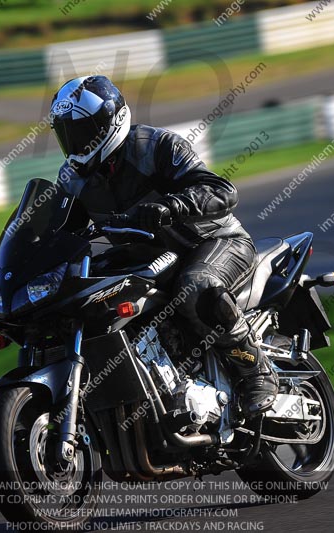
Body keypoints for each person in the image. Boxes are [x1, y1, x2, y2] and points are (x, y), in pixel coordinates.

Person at [49, 75, 277, 416]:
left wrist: (173, 206)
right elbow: (59, 230)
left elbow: (222, 191)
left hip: (212, 242)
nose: (74, 141)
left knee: (196, 285)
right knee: (83, 296)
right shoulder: (73, 178)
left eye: (81, 130)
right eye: (65, 132)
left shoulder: (155, 146)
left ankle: (256, 371)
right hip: (147, 259)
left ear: (110, 122)